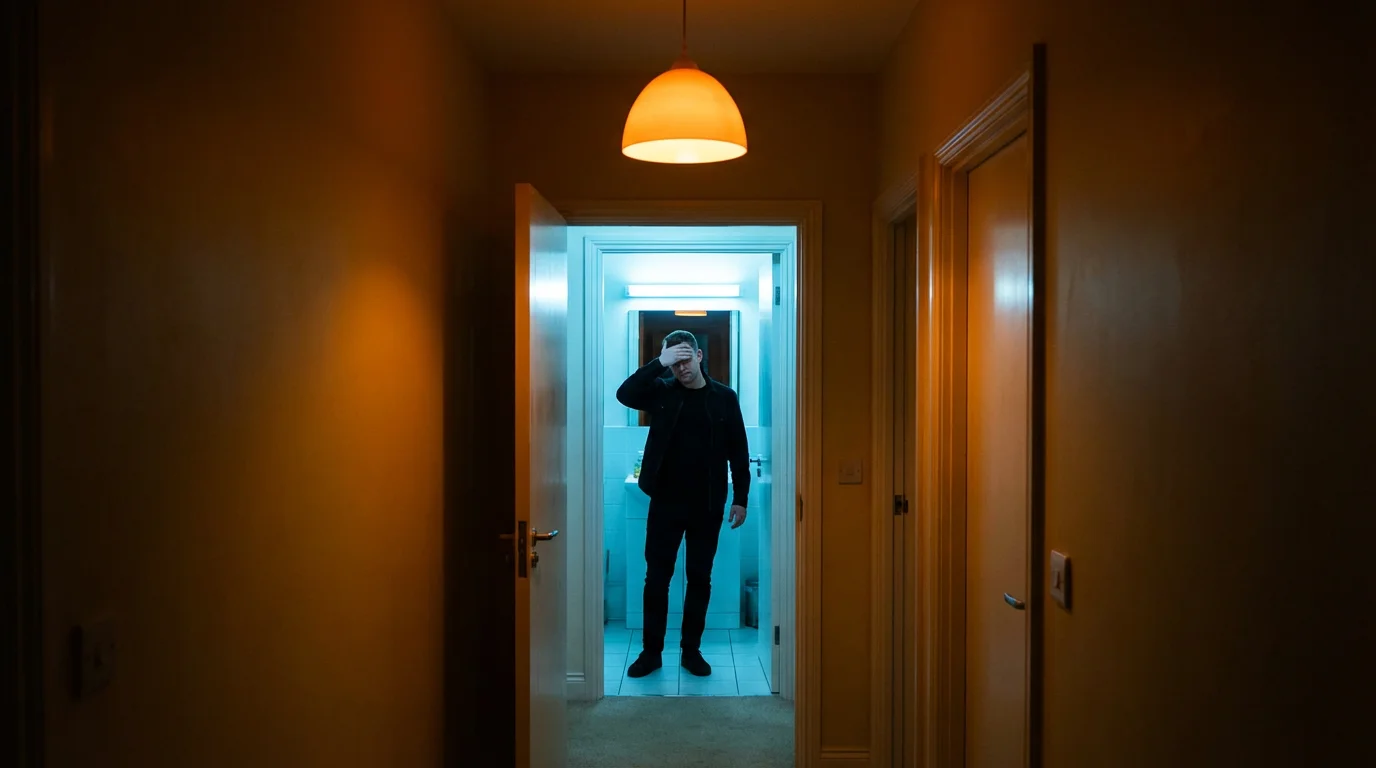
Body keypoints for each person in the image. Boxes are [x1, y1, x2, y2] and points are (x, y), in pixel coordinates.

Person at [616, 330, 750, 678]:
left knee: (699, 579)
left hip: (707, 503)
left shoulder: (724, 397)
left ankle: (691, 651)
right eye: (674, 362)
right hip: (666, 501)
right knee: (656, 579)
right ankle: (651, 653)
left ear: (699, 356)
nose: (681, 368)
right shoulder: (662, 392)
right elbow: (625, 394)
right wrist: (658, 363)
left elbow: (739, 450)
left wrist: (741, 499)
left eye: (685, 359)